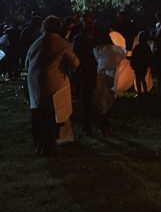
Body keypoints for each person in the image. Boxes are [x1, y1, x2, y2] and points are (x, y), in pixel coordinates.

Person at [26, 16, 80, 156]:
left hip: (34, 84)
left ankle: (39, 143)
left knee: (38, 114)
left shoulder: (36, 43)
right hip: (54, 84)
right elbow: (74, 64)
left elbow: (26, 62)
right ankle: (50, 145)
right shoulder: (62, 44)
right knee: (51, 116)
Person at [71, 12, 114, 135]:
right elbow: (75, 57)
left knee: (103, 100)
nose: (89, 24)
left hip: (100, 72)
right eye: (86, 21)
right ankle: (87, 126)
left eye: (90, 21)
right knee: (86, 101)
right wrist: (75, 75)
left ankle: (104, 125)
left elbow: (111, 49)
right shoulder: (78, 39)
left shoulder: (102, 36)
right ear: (83, 22)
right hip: (86, 73)